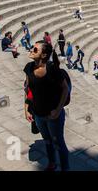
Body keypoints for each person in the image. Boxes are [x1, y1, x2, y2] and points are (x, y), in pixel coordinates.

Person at [23, 41, 70, 171]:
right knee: (47, 141)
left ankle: (65, 168)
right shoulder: (28, 68)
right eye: (33, 47)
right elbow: (27, 89)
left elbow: (65, 89)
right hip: (38, 114)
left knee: (59, 143)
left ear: (43, 55)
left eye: (35, 49)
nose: (31, 49)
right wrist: (26, 109)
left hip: (53, 115)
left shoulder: (53, 70)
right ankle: (52, 163)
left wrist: (58, 110)